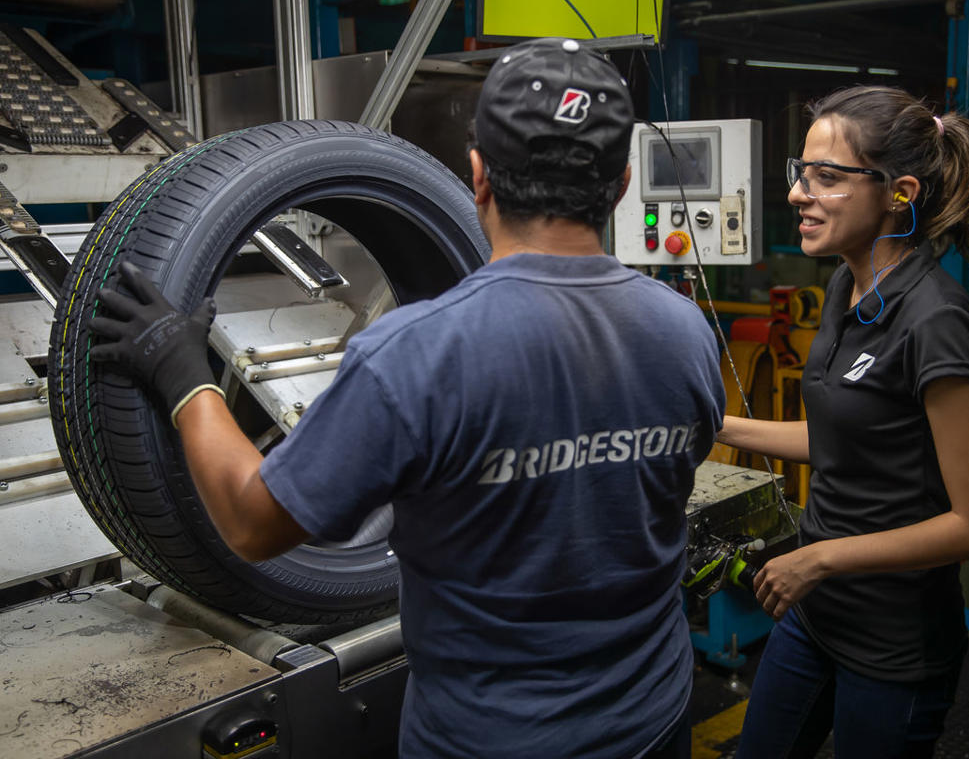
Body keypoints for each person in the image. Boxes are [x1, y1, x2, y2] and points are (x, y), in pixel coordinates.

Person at [89, 37, 725, 758]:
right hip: (654, 719)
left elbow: (250, 524)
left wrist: (182, 375)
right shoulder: (686, 331)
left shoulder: (419, 354)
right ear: (620, 183)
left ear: (478, 174)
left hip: (490, 742)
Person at [719, 86, 969, 758]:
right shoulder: (845, 291)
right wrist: (716, 424)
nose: (797, 193)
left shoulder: (936, 320)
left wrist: (817, 558)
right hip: (817, 617)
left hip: (894, 644)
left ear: (899, 193)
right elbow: (839, 441)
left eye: (826, 177)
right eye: (801, 173)